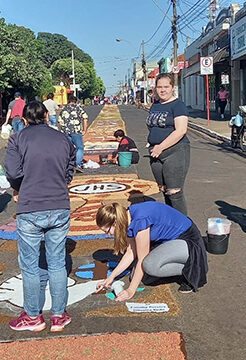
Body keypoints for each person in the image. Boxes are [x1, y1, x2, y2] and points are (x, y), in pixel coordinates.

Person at [5, 101, 77, 332]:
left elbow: (13, 172)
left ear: (24, 119)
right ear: (47, 116)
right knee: (57, 263)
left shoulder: (17, 139)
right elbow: (70, 167)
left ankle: (33, 316)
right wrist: (61, 183)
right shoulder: (63, 139)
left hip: (30, 205)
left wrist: (19, 187)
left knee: (30, 265)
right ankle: (59, 315)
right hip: (59, 204)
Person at [94, 201, 208, 299]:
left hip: (189, 240)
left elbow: (142, 259)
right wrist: (110, 278)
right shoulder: (126, 217)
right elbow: (130, 252)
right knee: (140, 277)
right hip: (171, 241)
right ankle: (185, 266)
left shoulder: (140, 221)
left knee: (149, 266)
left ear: (115, 223)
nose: (108, 234)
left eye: (107, 231)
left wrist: (130, 291)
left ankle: (193, 267)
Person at [146, 72, 190, 215]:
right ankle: (171, 224)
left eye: (166, 86)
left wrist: (161, 146)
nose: (162, 90)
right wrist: (152, 140)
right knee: (164, 189)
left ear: (173, 88)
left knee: (174, 192)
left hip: (175, 152)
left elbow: (181, 130)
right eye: (159, 87)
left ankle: (184, 229)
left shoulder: (178, 105)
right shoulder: (155, 106)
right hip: (155, 153)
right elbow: (152, 124)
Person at [58, 94, 88, 171]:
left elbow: (60, 122)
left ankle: (68, 165)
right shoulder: (78, 108)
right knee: (79, 148)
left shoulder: (64, 109)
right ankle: (77, 164)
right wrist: (85, 130)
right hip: (76, 131)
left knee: (68, 149)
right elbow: (85, 118)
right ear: (76, 101)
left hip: (65, 131)